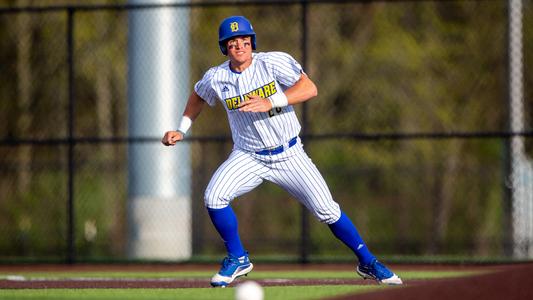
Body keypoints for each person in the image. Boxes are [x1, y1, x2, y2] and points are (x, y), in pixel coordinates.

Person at [161, 16, 402, 287]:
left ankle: (368, 262)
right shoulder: (217, 77)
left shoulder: (271, 62)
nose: (239, 46)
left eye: (244, 40)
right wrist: (182, 128)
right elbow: (198, 95)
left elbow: (309, 88)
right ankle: (238, 257)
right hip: (249, 155)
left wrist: (271, 101)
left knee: (328, 211)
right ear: (224, 48)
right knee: (214, 197)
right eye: (232, 42)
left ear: (252, 42)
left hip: (290, 154)